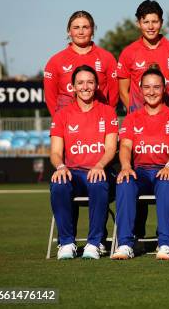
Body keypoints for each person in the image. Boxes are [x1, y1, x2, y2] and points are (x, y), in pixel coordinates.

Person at [111, 64, 169, 260]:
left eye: (156, 87)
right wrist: (126, 167)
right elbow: (126, 147)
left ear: (164, 89)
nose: (151, 92)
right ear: (139, 89)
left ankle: (165, 244)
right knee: (125, 181)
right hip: (141, 172)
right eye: (147, 87)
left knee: (165, 181)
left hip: (167, 170)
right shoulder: (131, 118)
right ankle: (126, 244)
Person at [49, 65, 118, 259]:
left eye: (90, 82)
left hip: (99, 171)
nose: (85, 87)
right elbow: (55, 152)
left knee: (97, 182)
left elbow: (111, 148)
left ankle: (94, 243)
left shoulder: (107, 112)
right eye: (80, 83)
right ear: (72, 87)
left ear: (96, 85)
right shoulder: (62, 114)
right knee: (59, 183)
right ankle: (66, 243)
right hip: (74, 172)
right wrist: (61, 167)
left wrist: (99, 165)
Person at [117, 0, 169, 113]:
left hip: (167, 120)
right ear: (138, 23)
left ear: (161, 22)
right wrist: (136, 114)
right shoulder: (128, 52)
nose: (150, 27)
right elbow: (123, 91)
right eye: (146, 22)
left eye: (155, 21)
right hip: (139, 122)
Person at [44, 11, 118, 114]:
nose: (81, 32)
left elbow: (114, 94)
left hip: (99, 120)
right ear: (69, 31)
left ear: (92, 30)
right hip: (68, 123)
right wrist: (59, 120)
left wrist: (107, 116)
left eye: (85, 27)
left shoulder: (107, 58)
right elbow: (50, 98)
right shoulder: (55, 61)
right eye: (76, 28)